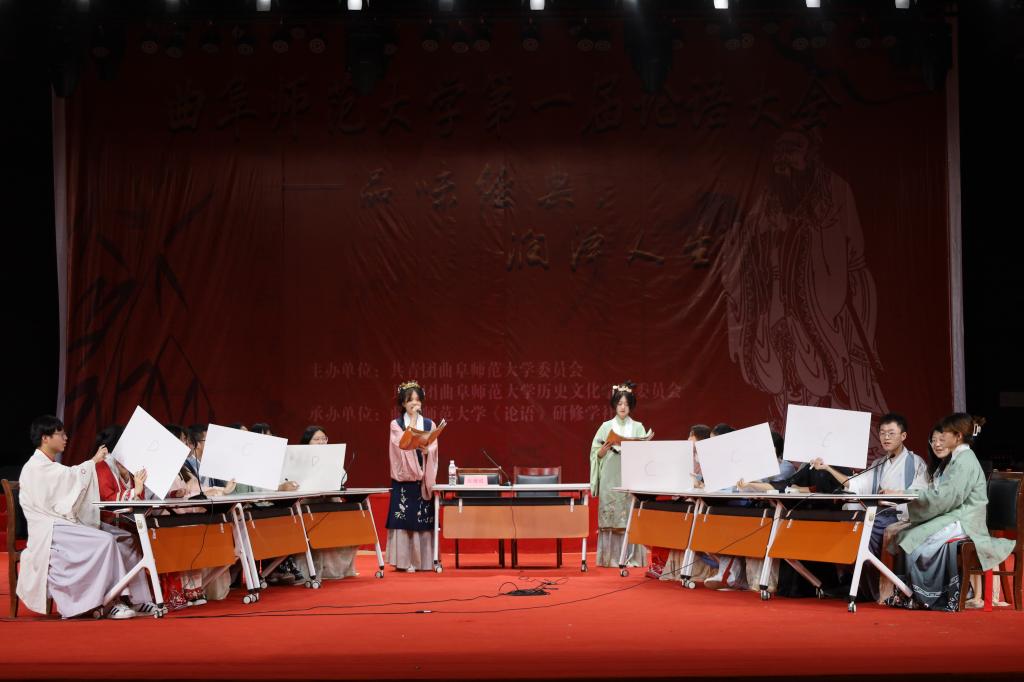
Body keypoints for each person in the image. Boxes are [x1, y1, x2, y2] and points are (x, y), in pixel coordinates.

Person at [717, 127, 889, 450]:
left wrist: (813, 232)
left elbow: (851, 251)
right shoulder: (770, 195)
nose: (783, 158)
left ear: (810, 154)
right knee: (785, 369)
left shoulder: (834, 189)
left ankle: (841, 445)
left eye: (792, 149)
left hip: (826, 300)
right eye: (779, 151)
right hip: (779, 298)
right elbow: (752, 237)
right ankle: (791, 439)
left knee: (829, 370)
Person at [16, 415, 153, 619]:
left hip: (64, 520)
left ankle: (139, 599)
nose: (65, 437)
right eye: (60, 434)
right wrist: (92, 462)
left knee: (126, 538)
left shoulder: (51, 466)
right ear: (45, 438)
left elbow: (68, 482)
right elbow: (71, 478)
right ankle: (109, 601)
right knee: (106, 540)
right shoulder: (35, 467)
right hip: (49, 527)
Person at [888, 413, 1014, 611]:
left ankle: (929, 595)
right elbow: (941, 494)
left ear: (958, 436)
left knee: (916, 540)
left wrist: (907, 497)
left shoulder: (965, 460)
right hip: (956, 514)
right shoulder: (957, 459)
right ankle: (912, 593)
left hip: (966, 518)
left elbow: (947, 497)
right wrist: (905, 495)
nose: (940, 440)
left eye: (944, 434)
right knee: (908, 535)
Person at [589, 382, 648, 568]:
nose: (623, 407)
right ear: (615, 405)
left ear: (631, 406)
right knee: (611, 513)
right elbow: (595, 453)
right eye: (620, 403)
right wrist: (602, 452)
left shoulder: (638, 427)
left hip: (630, 473)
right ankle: (610, 558)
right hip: (610, 474)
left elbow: (646, 453)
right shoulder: (606, 427)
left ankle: (632, 558)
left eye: (626, 404)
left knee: (629, 513)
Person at [386, 381, 439, 572]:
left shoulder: (429, 424)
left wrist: (427, 450)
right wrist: (414, 428)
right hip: (405, 479)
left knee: (422, 520)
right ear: (403, 403)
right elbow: (400, 446)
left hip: (422, 479)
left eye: (417, 400)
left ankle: (424, 561)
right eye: (410, 400)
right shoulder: (397, 424)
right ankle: (405, 562)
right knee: (405, 520)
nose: (414, 403)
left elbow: (433, 447)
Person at [659, 424, 715, 583]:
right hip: (686, 500)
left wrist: (697, 484)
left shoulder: (709, 458)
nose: (688, 439)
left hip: (703, 504)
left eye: (691, 436)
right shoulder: (686, 457)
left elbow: (705, 484)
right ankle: (679, 568)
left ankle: (700, 570)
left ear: (699, 439)